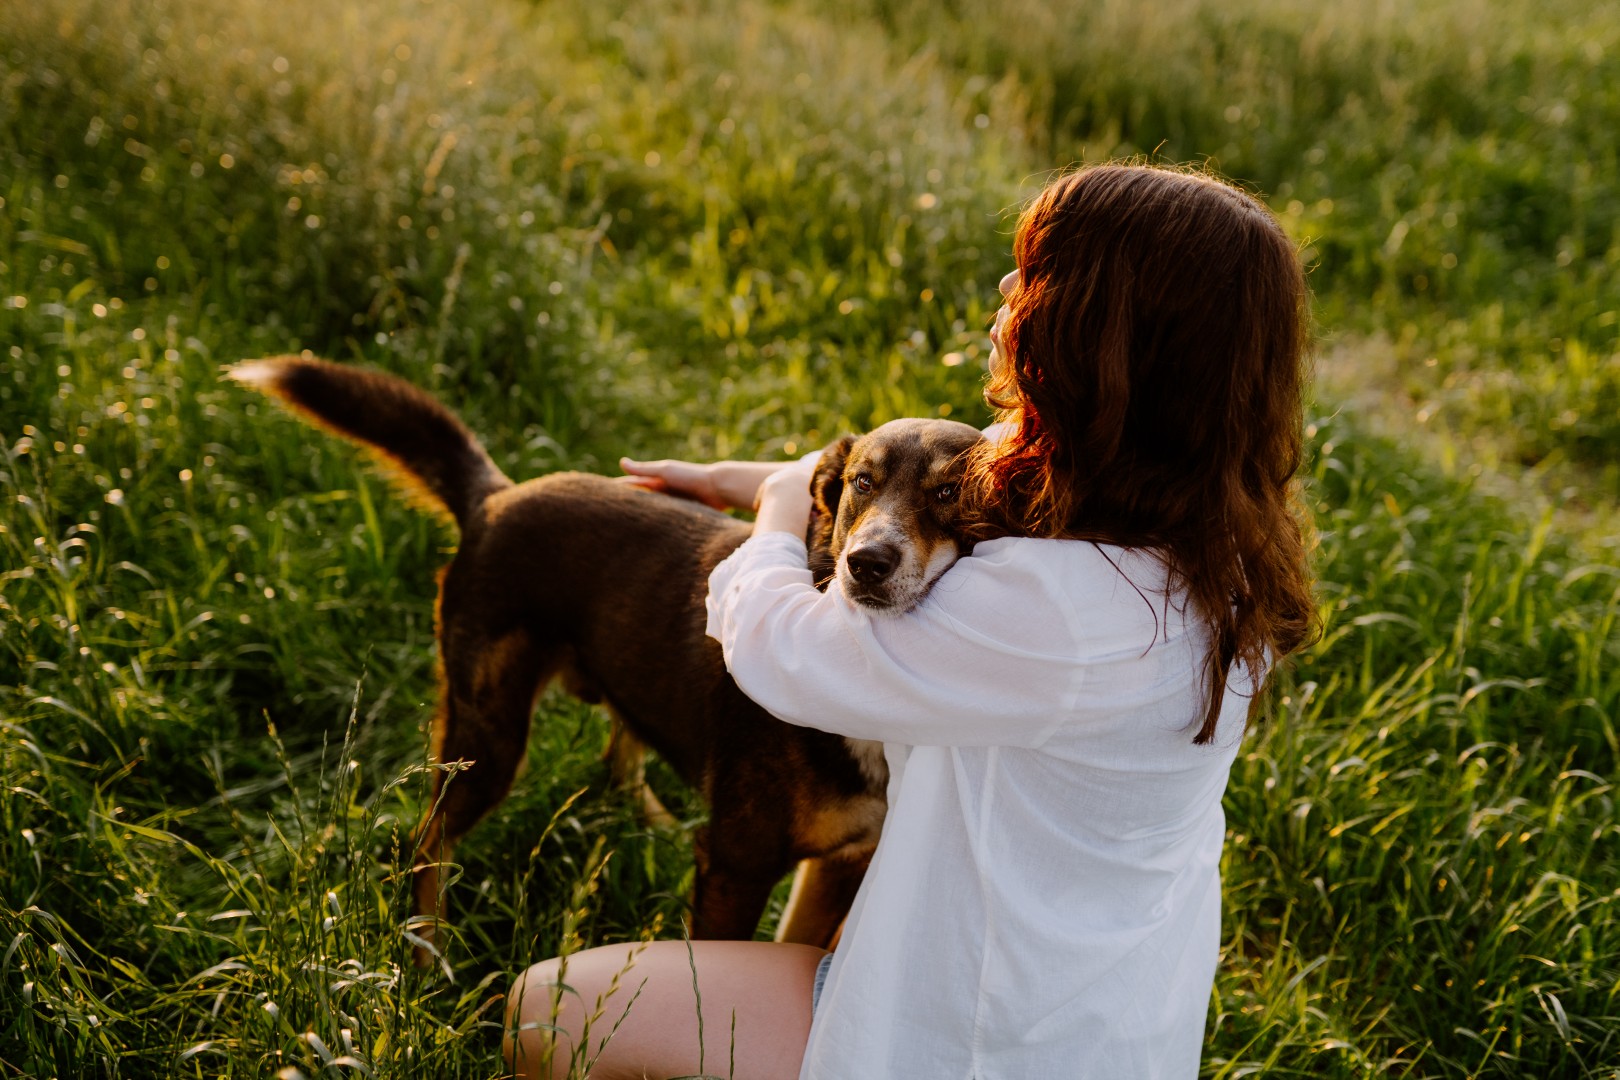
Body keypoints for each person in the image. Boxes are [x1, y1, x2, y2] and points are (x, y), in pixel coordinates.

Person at [503, 163, 1315, 1080]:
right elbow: (971, 483)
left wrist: (775, 512)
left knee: (552, 1009)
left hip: (955, 1043)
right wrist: (782, 471)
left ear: (1108, 338)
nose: (1008, 289)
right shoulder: (1206, 561)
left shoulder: (1048, 607)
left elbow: (779, 652)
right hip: (1103, 1027)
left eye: (1039, 272)